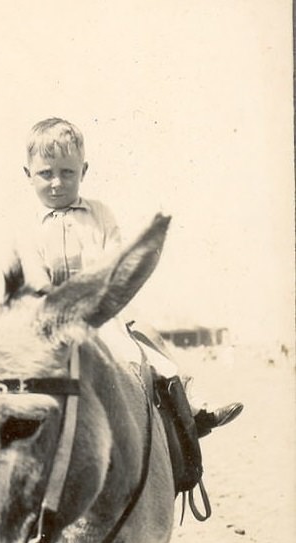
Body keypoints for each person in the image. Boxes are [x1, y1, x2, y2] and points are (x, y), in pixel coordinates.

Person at [16, 117, 243, 437]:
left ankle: (190, 413)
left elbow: (116, 262)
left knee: (151, 344)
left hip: (104, 310)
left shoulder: (100, 215)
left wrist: (101, 295)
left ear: (83, 171)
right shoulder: (28, 231)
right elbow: (35, 281)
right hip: (55, 318)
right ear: (29, 175)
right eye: (45, 173)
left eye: (67, 172)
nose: (56, 182)